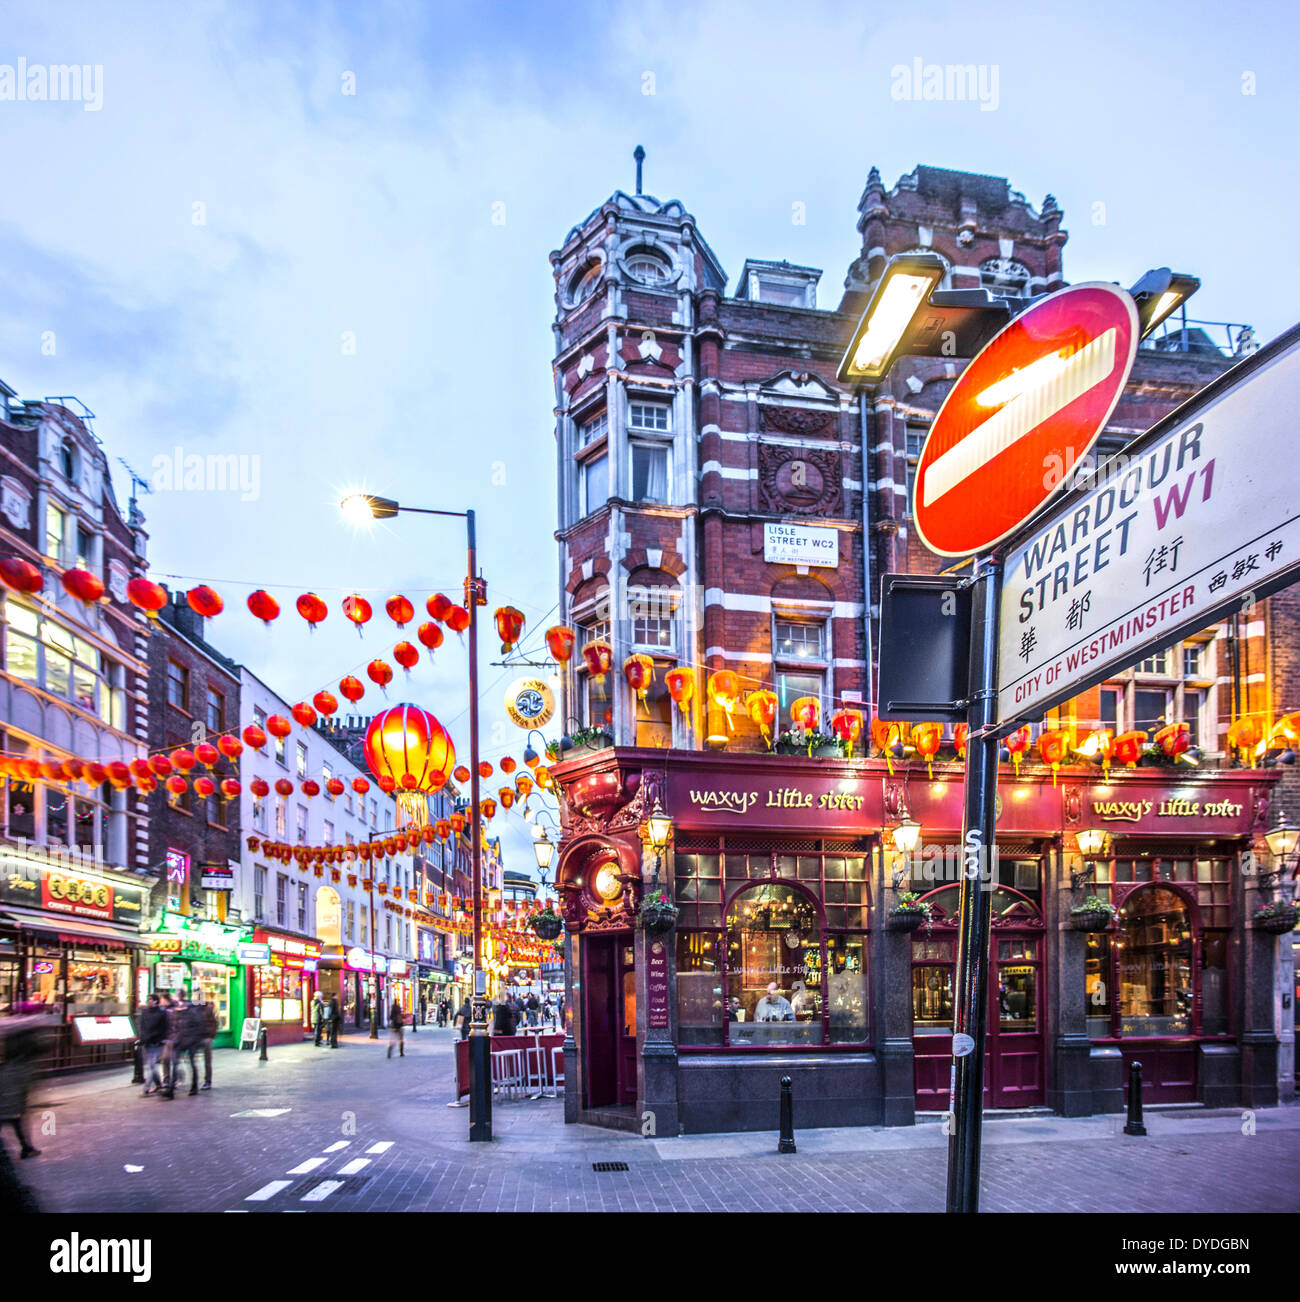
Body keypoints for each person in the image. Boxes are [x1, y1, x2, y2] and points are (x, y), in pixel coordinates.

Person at [0, 1019, 46, 1159]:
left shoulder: (7, 1066)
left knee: (15, 1123)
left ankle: (26, 1147)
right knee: (16, 1122)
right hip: (11, 1105)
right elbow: (24, 1088)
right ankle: (26, 1148)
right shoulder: (23, 1068)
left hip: (7, 1105)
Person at [138, 994, 168, 1096]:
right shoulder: (145, 1012)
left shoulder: (162, 1013)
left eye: (150, 999)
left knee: (152, 1066)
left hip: (156, 1043)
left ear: (155, 1001)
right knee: (151, 1065)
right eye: (148, 999)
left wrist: (162, 1040)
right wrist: (142, 1038)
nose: (148, 1001)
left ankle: (146, 1088)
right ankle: (159, 1084)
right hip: (146, 1042)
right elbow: (142, 1027)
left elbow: (164, 1028)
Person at [198, 999, 218, 1090]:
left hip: (206, 1037)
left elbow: (214, 1023)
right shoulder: (194, 1008)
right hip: (195, 1036)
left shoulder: (209, 1008)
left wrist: (211, 1037)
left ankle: (208, 1081)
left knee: (207, 1061)